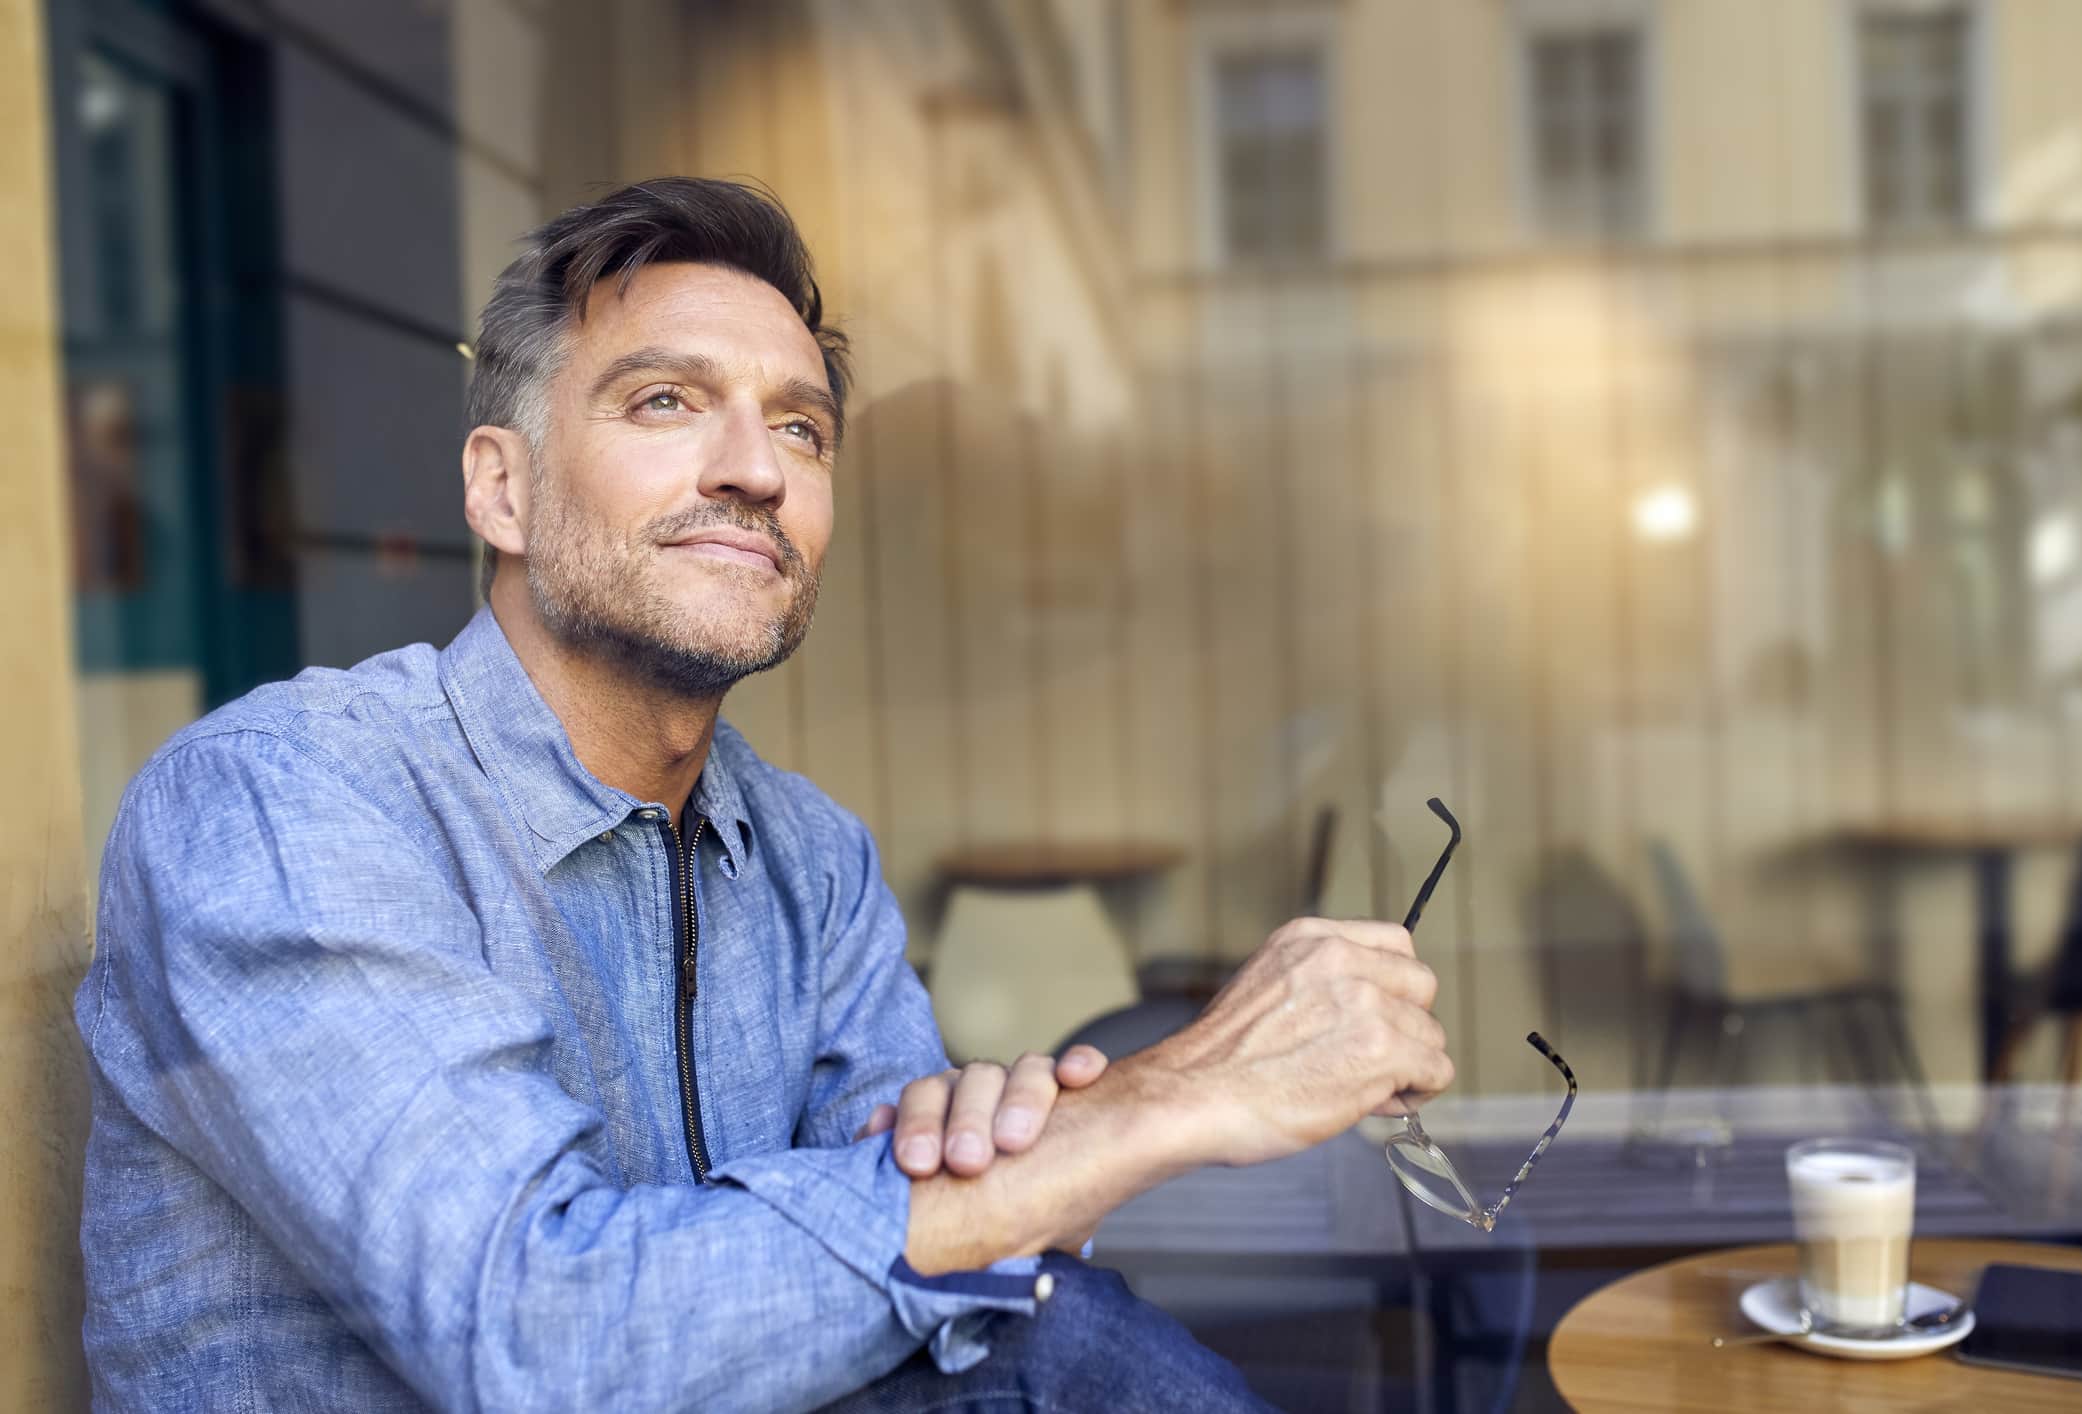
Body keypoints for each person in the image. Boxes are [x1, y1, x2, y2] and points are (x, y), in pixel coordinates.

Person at [74, 178, 1454, 1412]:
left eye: (800, 426)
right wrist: (1161, 1099)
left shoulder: (806, 854)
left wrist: (1003, 1178)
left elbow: (945, 1285)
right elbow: (541, 1341)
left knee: (1043, 1335)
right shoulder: (286, 800)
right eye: (665, 400)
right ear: (501, 488)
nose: (754, 467)